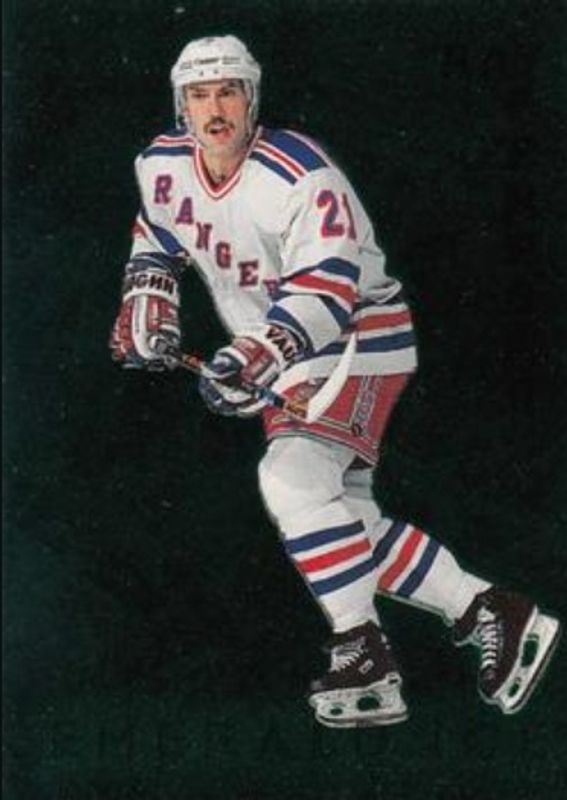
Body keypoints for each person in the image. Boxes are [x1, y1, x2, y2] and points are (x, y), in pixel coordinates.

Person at [110, 35, 560, 728]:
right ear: (181, 105)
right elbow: (158, 234)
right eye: (199, 95)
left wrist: (257, 353)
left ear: (252, 99)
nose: (214, 109)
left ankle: (363, 651)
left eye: (228, 92)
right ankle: (490, 609)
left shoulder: (300, 173)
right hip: (286, 354)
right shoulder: (161, 164)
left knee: (291, 481)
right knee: (339, 522)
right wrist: (147, 295)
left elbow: (327, 290)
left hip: (356, 340)